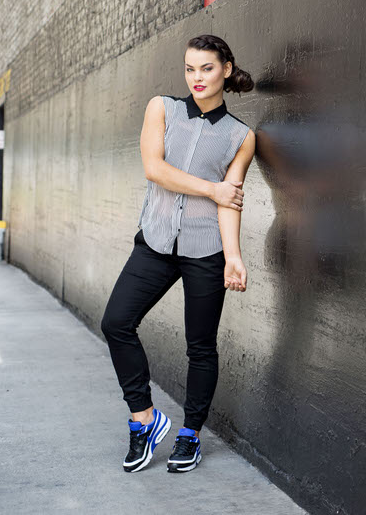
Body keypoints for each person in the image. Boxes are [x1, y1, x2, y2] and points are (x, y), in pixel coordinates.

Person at [100, 34, 256, 473]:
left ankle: (190, 434)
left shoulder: (241, 137)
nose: (197, 78)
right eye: (190, 69)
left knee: (200, 346)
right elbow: (155, 169)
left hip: (206, 249)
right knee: (116, 322)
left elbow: (231, 201)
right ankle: (144, 419)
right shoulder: (162, 108)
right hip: (156, 240)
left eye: (206, 68)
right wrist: (213, 188)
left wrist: (234, 256)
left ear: (226, 68)